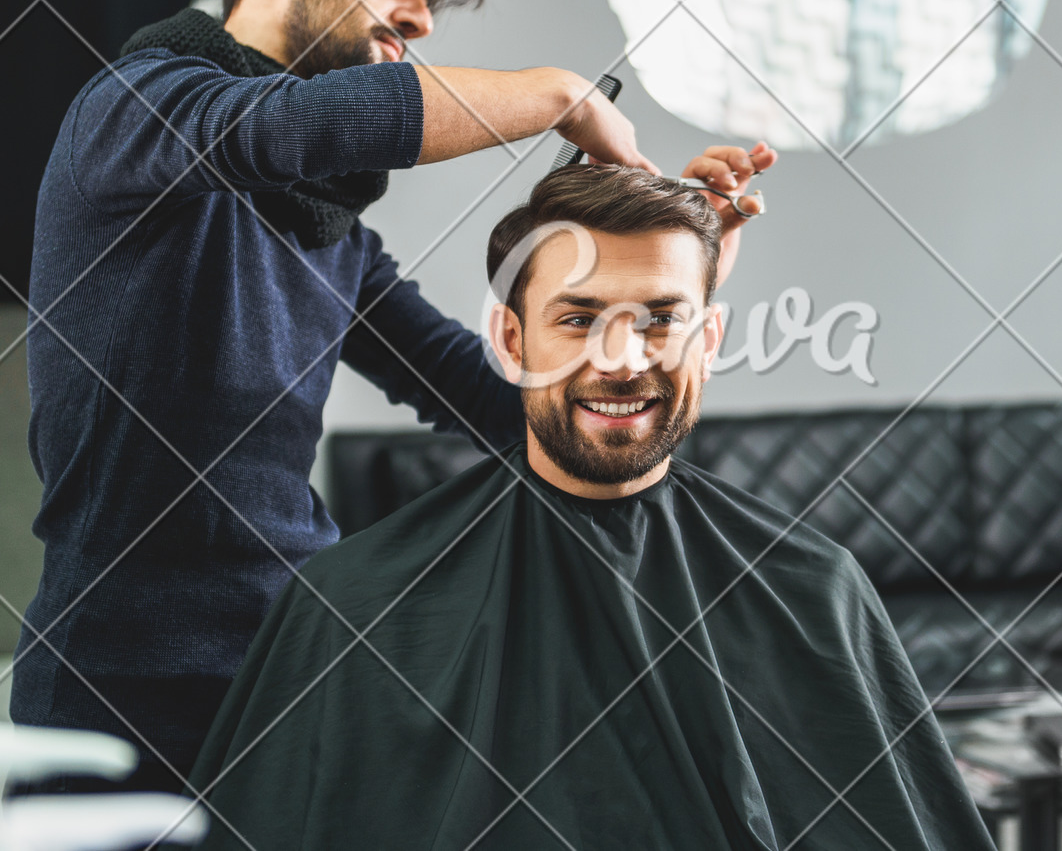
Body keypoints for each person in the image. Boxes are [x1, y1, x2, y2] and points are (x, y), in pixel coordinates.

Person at [14, 0, 774, 791]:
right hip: (120, 679)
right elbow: (290, 128)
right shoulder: (134, 109)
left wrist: (675, 282)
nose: (415, 18)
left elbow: (493, 400)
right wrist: (557, 96)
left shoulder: (326, 227)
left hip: (301, 659)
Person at [188, 166, 995, 850]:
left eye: (660, 319)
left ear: (708, 341)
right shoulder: (353, 605)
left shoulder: (816, 589)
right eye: (577, 319)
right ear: (509, 342)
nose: (622, 358)